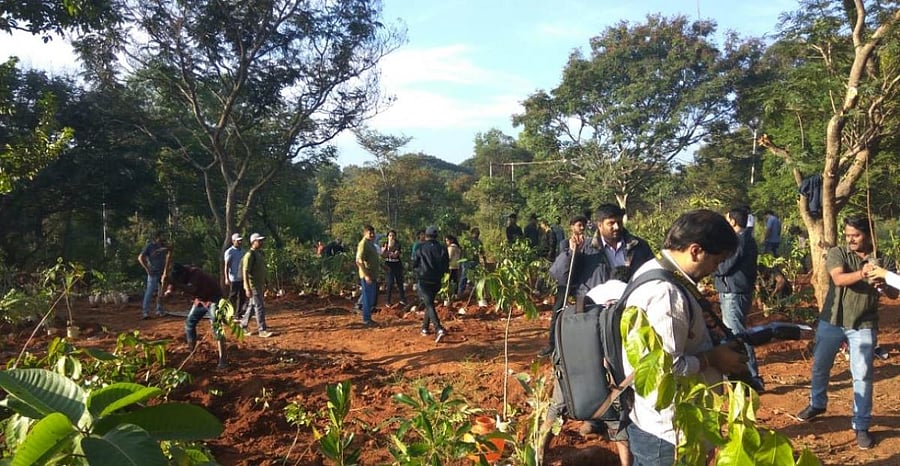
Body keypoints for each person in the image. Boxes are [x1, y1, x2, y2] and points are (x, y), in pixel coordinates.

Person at [622, 209, 749, 465]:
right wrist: (713, 359)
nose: (715, 269)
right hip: (668, 432)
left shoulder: (654, 268)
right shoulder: (666, 293)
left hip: (652, 423)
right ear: (695, 251)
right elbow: (667, 367)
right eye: (717, 261)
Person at [543, 204, 654, 465]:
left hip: (627, 320)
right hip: (589, 323)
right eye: (610, 223)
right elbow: (560, 276)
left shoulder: (638, 246)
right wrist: (572, 253)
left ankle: (621, 421)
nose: (616, 227)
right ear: (599, 224)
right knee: (587, 370)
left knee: (620, 374)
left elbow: (651, 275)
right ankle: (592, 419)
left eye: (619, 222)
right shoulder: (585, 247)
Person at [796, 216, 898, 450]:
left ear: (869, 235)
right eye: (848, 235)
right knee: (820, 366)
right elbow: (839, 278)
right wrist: (863, 273)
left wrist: (883, 284)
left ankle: (861, 424)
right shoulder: (838, 252)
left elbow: (894, 294)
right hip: (832, 321)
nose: (850, 239)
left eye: (856, 235)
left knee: (863, 375)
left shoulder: (884, 260)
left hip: (863, 323)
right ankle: (817, 403)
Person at [714, 208, 763, 391]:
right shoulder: (745, 239)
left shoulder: (739, 241)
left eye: (727, 219)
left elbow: (724, 267)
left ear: (733, 221)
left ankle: (751, 378)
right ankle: (747, 377)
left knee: (737, 335)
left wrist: (713, 264)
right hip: (736, 291)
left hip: (734, 292)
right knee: (736, 332)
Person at [166, 263, 227, 369]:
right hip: (200, 300)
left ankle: (223, 360)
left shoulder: (195, 273)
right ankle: (192, 353)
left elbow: (192, 289)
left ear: (184, 274)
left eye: (179, 279)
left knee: (216, 326)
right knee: (189, 323)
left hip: (214, 299)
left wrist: (175, 283)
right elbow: (173, 284)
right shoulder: (179, 275)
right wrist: (169, 291)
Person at [414, 225, 450, 343]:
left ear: (426, 235)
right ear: (436, 236)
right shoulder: (442, 248)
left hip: (424, 280)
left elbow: (415, 264)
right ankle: (424, 328)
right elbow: (446, 266)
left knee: (429, 304)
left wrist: (418, 272)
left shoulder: (420, 247)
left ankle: (438, 328)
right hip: (436, 281)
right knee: (429, 303)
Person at [239, 233, 274, 338]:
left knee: (252, 306)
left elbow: (262, 270)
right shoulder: (249, 255)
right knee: (259, 307)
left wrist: (267, 282)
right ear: (253, 242)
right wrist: (247, 287)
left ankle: (242, 325)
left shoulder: (259, 254)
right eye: (259, 241)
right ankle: (262, 330)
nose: (261, 242)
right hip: (253, 285)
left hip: (259, 285)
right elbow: (245, 271)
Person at [137, 231, 172, 319]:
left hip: (162, 273)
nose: (164, 238)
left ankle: (159, 310)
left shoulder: (164, 246)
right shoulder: (150, 246)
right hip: (153, 273)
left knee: (161, 292)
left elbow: (169, 254)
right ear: (157, 237)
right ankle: (145, 312)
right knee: (150, 291)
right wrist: (148, 269)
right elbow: (140, 257)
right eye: (162, 236)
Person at [356, 225, 381, 327]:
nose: (372, 235)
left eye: (373, 233)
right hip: (367, 276)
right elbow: (359, 260)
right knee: (367, 298)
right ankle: (366, 319)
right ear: (365, 233)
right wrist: (366, 275)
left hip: (373, 275)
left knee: (371, 298)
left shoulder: (371, 244)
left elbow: (373, 259)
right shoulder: (363, 244)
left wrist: (383, 267)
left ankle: (368, 317)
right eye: (370, 233)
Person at [457, 227, 486, 299]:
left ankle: (475, 294)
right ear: (472, 233)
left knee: (476, 278)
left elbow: (482, 252)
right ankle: (460, 293)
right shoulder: (467, 241)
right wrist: (460, 261)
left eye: (478, 234)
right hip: (467, 261)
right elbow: (462, 251)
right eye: (476, 234)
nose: (477, 235)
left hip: (475, 262)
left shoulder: (479, 242)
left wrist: (483, 260)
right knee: (464, 277)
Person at [224, 233, 246, 321]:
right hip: (234, 278)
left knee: (242, 296)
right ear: (233, 241)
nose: (240, 242)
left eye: (241, 240)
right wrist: (227, 278)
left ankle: (238, 314)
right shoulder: (229, 252)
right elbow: (226, 266)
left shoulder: (243, 251)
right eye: (238, 241)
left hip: (242, 277)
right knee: (232, 296)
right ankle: (225, 313)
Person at [381, 229, 406, 306]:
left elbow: (395, 255)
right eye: (390, 235)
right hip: (388, 265)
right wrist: (385, 251)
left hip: (397, 264)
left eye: (393, 236)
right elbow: (383, 255)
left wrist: (388, 252)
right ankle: (388, 301)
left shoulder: (397, 244)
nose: (391, 237)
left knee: (399, 282)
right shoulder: (385, 244)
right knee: (390, 282)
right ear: (388, 237)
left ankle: (402, 299)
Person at [446, 234, 462, 301]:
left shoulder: (451, 248)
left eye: (447, 240)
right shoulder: (457, 247)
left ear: (451, 240)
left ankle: (448, 295)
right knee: (455, 281)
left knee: (448, 281)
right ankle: (455, 294)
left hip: (451, 266)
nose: (446, 242)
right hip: (457, 266)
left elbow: (449, 257)